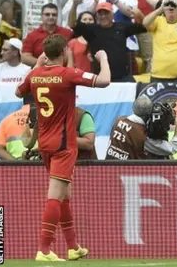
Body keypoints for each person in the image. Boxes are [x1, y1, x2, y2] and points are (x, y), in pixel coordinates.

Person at [15, 34, 111, 262]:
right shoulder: (67, 74)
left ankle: (72, 247)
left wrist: (37, 66)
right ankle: (44, 249)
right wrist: (103, 58)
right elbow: (104, 80)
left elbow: (19, 92)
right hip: (63, 145)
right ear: (64, 52)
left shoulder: (36, 75)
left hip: (46, 143)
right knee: (55, 196)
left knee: (65, 194)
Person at [72, 0, 147, 82]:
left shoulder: (121, 27)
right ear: (96, 16)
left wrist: (140, 15)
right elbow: (72, 24)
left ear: (112, 15)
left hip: (122, 76)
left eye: (106, 13)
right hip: (100, 78)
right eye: (100, 13)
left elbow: (144, 27)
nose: (103, 16)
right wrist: (74, 6)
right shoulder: (91, 30)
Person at [105, 95, 177, 160]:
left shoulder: (118, 120)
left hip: (108, 168)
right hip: (127, 174)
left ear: (133, 108)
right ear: (150, 113)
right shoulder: (143, 137)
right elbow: (173, 149)